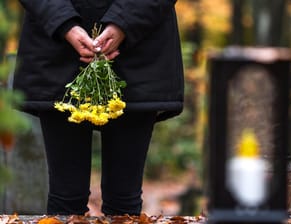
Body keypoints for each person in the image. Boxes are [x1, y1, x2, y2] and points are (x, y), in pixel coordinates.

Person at [13, 0, 184, 216]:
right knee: (66, 197)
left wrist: (124, 23)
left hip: (140, 47)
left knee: (123, 201)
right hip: (57, 49)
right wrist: (65, 24)